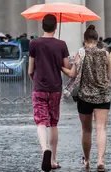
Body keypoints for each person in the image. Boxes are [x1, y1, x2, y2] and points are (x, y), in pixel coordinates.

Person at [62, 25, 111, 172]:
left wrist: (60, 66)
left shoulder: (81, 53)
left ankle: (88, 160)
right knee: (101, 128)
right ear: (96, 39)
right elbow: (108, 77)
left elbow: (72, 74)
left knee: (86, 130)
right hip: (103, 96)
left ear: (84, 40)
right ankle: (101, 160)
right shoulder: (105, 54)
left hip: (85, 97)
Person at [28, 14, 70, 171]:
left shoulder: (34, 43)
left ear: (42, 26)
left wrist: (36, 80)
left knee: (41, 121)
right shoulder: (61, 44)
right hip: (55, 88)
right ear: (55, 27)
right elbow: (66, 67)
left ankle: (44, 148)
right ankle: (53, 159)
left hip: (39, 87)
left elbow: (30, 70)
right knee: (53, 122)